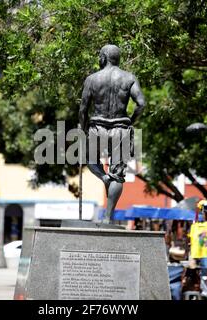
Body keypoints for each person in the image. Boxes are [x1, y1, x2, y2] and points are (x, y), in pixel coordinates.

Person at [79, 44, 146, 223]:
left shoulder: (92, 79)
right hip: (121, 129)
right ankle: (108, 217)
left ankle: (104, 177)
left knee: (90, 159)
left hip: (97, 127)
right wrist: (131, 121)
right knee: (118, 174)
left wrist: (83, 127)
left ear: (103, 57)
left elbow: (83, 109)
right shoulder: (129, 78)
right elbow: (141, 103)